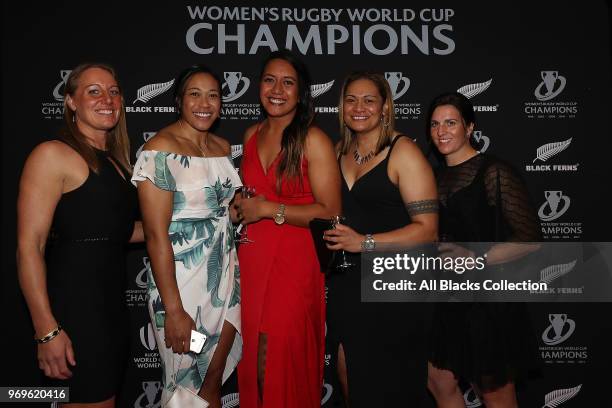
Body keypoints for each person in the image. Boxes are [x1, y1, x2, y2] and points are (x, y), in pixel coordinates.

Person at [17, 62, 142, 406]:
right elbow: (30, 246)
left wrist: (191, 222)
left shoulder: (116, 162)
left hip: (111, 312)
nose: (107, 99)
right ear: (71, 101)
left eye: (114, 91)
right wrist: (47, 330)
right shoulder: (51, 155)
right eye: (94, 91)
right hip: (75, 313)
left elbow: (115, 232)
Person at [323, 71, 438, 406]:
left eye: (369, 100)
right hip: (347, 285)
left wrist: (365, 243)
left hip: (393, 287)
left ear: (385, 107)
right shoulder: (338, 150)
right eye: (350, 99)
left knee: (390, 388)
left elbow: (427, 229)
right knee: (350, 380)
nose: (359, 107)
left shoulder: (403, 152)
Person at [236, 49, 341, 408]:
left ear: (301, 92)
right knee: (251, 362)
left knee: (276, 360)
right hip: (252, 259)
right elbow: (247, 196)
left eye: (288, 82)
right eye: (269, 80)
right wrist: (239, 208)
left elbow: (330, 212)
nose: (277, 89)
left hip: (295, 261)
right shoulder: (251, 134)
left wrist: (269, 209)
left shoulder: (314, 140)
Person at [132, 65, 242, 408]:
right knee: (185, 384)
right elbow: (155, 234)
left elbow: (222, 210)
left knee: (212, 377)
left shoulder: (222, 147)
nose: (204, 103)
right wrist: (174, 309)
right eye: (195, 94)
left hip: (225, 278)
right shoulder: (159, 150)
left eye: (213, 95)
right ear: (179, 100)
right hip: (181, 282)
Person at [426, 92, 541, 408]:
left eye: (451, 122)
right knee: (438, 380)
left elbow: (530, 237)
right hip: (447, 300)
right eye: (435, 124)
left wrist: (477, 257)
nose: (442, 131)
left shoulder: (493, 171)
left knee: (494, 394)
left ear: (469, 127)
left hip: (487, 303)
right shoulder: (432, 178)